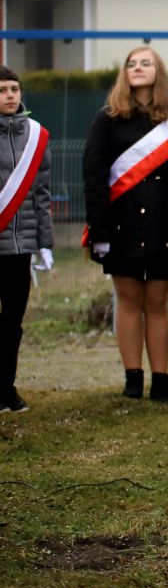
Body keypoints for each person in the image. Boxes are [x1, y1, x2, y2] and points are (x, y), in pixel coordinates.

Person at [83, 47, 168, 402]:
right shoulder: (108, 118)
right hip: (121, 226)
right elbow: (94, 174)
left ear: (158, 72)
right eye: (131, 64)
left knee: (158, 301)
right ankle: (133, 378)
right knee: (129, 300)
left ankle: (161, 380)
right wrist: (99, 232)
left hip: (164, 226)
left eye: (145, 63)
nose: (137, 68)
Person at [0, 66, 53, 413]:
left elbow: (41, 195)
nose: (9, 95)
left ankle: (6, 387)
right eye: (2, 89)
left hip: (20, 246)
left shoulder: (36, 136)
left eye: (14, 89)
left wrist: (44, 242)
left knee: (12, 323)